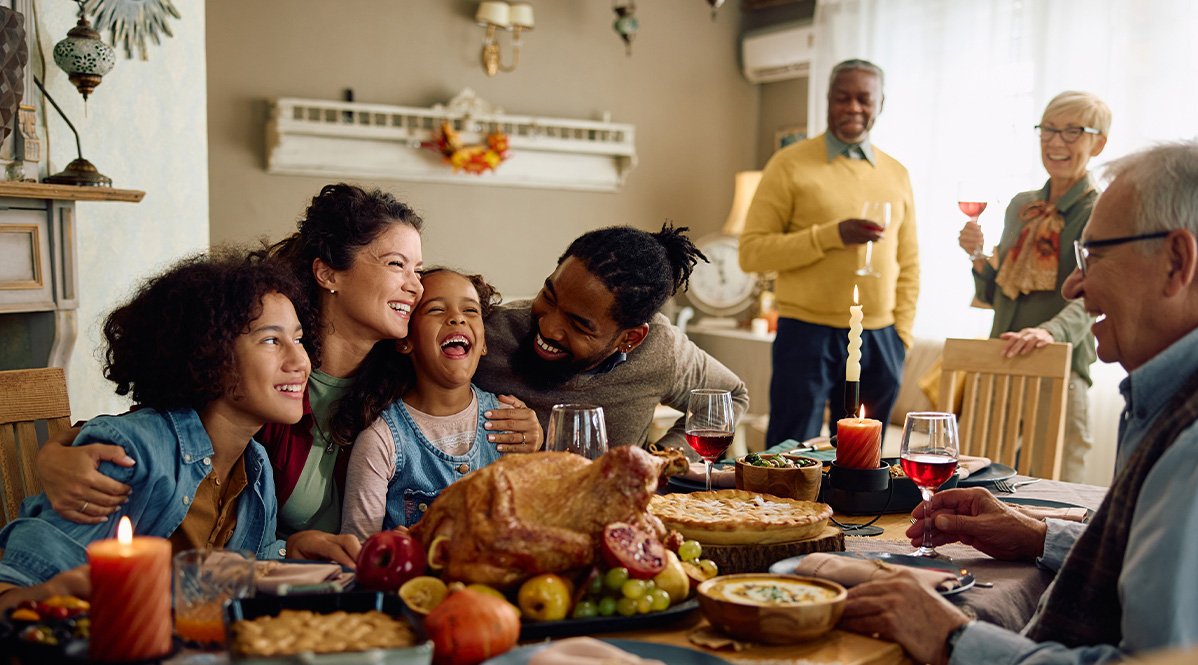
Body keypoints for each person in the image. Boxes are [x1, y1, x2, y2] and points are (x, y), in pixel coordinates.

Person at [840, 140, 1198, 664]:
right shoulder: (1192, 393)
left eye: (1092, 255)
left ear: (1176, 261)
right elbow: (1154, 566)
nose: (1074, 284)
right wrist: (1037, 536)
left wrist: (953, 639)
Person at [31, 184, 543, 565]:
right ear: (328, 273)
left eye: (417, 269)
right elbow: (162, 438)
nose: (416, 286)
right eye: (396, 265)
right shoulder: (262, 381)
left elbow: (476, 381)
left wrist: (532, 430)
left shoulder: (404, 371)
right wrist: (53, 454)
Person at [0, 250, 312, 610]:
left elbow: (251, 565)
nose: (300, 361)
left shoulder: (255, 467)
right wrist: (51, 593)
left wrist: (296, 547)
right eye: (271, 340)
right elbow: (17, 586)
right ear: (211, 355)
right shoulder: (131, 453)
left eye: (298, 339)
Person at [739, 58, 918, 446]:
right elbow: (752, 253)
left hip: (880, 337)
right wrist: (830, 235)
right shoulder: (788, 165)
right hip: (806, 333)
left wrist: (900, 334)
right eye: (843, 98)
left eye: (864, 99)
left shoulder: (897, 172)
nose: (853, 107)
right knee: (790, 455)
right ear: (827, 101)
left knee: (861, 462)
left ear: (880, 103)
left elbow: (910, 262)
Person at [474, 223, 748, 453]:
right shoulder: (487, 331)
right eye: (549, 295)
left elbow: (732, 396)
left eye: (579, 324)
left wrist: (659, 462)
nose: (548, 327)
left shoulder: (662, 348)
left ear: (630, 338)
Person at [960, 91, 1110, 482]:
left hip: (1061, 365)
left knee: (1058, 491)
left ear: (1099, 142)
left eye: (1073, 131)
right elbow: (999, 294)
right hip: (1002, 360)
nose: (1056, 142)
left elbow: (1094, 296)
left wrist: (1047, 332)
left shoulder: (1100, 211)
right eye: (1048, 130)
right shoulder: (1020, 206)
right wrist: (977, 257)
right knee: (981, 484)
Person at [337, 268, 542, 539]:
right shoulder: (380, 440)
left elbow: (535, 527)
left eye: (470, 311)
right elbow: (358, 552)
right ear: (405, 340)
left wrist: (539, 447)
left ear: (483, 344)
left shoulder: (511, 423)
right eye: (435, 310)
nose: (457, 318)